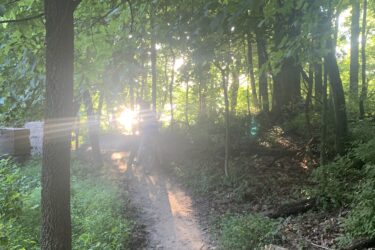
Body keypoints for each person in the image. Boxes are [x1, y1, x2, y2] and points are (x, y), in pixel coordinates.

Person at [134, 100, 161, 169]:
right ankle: (160, 160)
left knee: (142, 144)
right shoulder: (153, 111)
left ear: (143, 106)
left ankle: (138, 160)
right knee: (156, 145)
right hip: (155, 130)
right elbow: (156, 120)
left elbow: (138, 122)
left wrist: (138, 130)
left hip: (146, 130)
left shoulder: (141, 112)